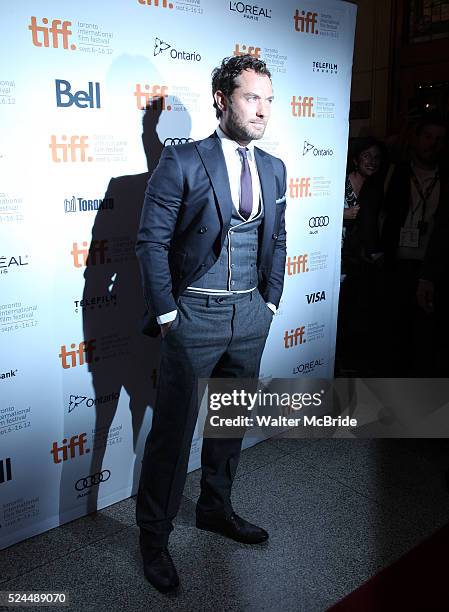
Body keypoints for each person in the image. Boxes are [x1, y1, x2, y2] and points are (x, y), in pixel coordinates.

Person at [135, 55, 287, 593]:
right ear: (222, 99)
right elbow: (150, 244)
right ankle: (154, 541)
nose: (263, 110)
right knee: (172, 435)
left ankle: (215, 510)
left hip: (250, 313)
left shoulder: (274, 167)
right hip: (193, 314)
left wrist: (269, 302)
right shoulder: (181, 163)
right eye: (252, 98)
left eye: (268, 99)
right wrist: (170, 314)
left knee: (229, 424)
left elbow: (278, 238)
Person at [382, 112, 448, 375]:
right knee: (394, 338)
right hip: (395, 266)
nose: (433, 143)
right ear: (417, 138)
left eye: (440, 139)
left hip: (430, 271)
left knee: (425, 341)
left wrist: (430, 275)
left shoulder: (445, 178)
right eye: (428, 136)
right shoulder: (395, 172)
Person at [336, 137, 385, 375]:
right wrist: (342, 214)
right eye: (367, 156)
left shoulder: (375, 189)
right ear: (355, 159)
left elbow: (371, 226)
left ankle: (348, 362)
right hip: (332, 256)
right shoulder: (337, 181)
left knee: (352, 312)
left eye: (376, 157)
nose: (372, 162)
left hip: (357, 260)